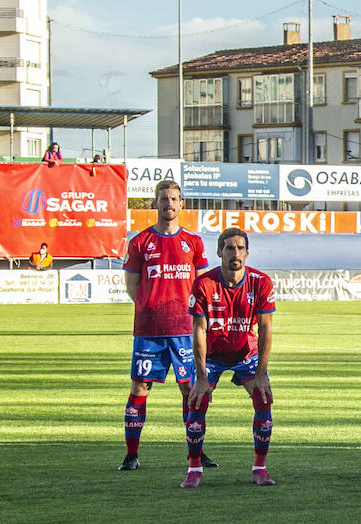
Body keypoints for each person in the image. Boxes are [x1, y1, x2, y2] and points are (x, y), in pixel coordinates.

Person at [118, 179, 210, 472]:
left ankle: (196, 453)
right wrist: (151, 306)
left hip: (185, 329)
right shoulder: (140, 242)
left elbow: (203, 285)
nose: (168, 204)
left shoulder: (193, 242)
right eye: (163, 198)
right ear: (155, 204)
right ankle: (131, 455)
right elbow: (132, 286)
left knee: (190, 389)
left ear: (181, 204)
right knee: (140, 387)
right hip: (149, 330)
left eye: (173, 199)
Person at [182, 228, 277, 488]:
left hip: (246, 352)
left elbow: (266, 328)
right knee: (197, 401)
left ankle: (260, 468)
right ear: (219, 252)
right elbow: (199, 331)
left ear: (247, 252)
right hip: (213, 354)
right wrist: (201, 378)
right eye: (229, 248)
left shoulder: (261, 282)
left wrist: (260, 374)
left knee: (263, 398)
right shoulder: (204, 284)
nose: (234, 253)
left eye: (239, 248)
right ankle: (194, 469)